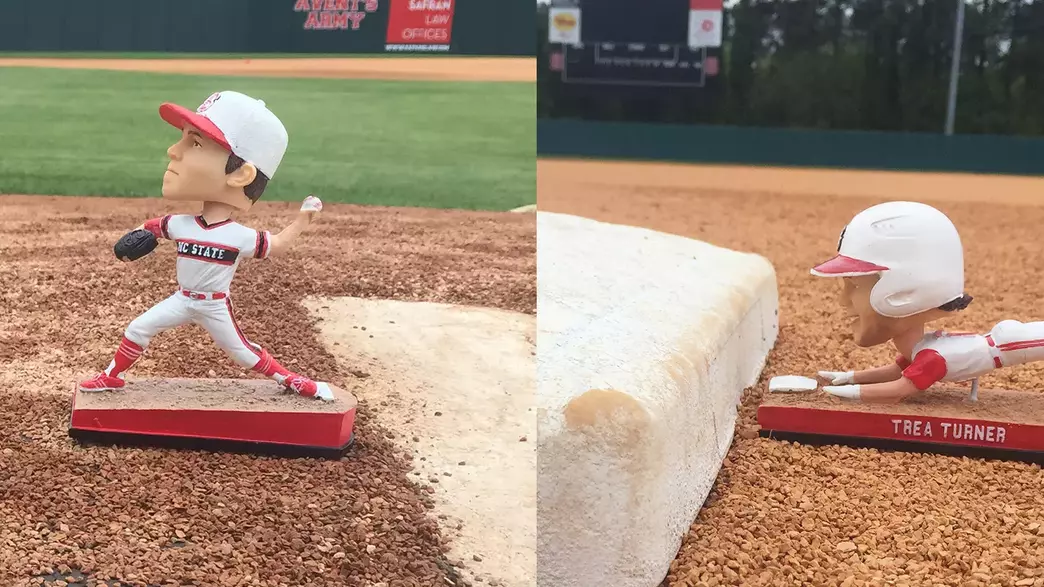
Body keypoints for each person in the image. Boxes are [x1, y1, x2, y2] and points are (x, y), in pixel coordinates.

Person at [78, 90, 332, 401]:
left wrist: (303, 221)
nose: (173, 151)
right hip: (182, 299)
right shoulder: (182, 223)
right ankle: (111, 377)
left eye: (195, 143)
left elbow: (275, 245)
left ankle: (292, 380)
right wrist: (138, 235)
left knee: (244, 354)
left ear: (241, 174)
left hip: (214, 305)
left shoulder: (237, 236)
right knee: (137, 328)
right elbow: (152, 227)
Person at [810, 200, 1044, 404]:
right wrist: (849, 377)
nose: (842, 301)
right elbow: (896, 372)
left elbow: (897, 390)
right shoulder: (920, 350)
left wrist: (846, 392)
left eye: (856, 285)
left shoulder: (931, 357)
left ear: (902, 291)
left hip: (1008, 344)